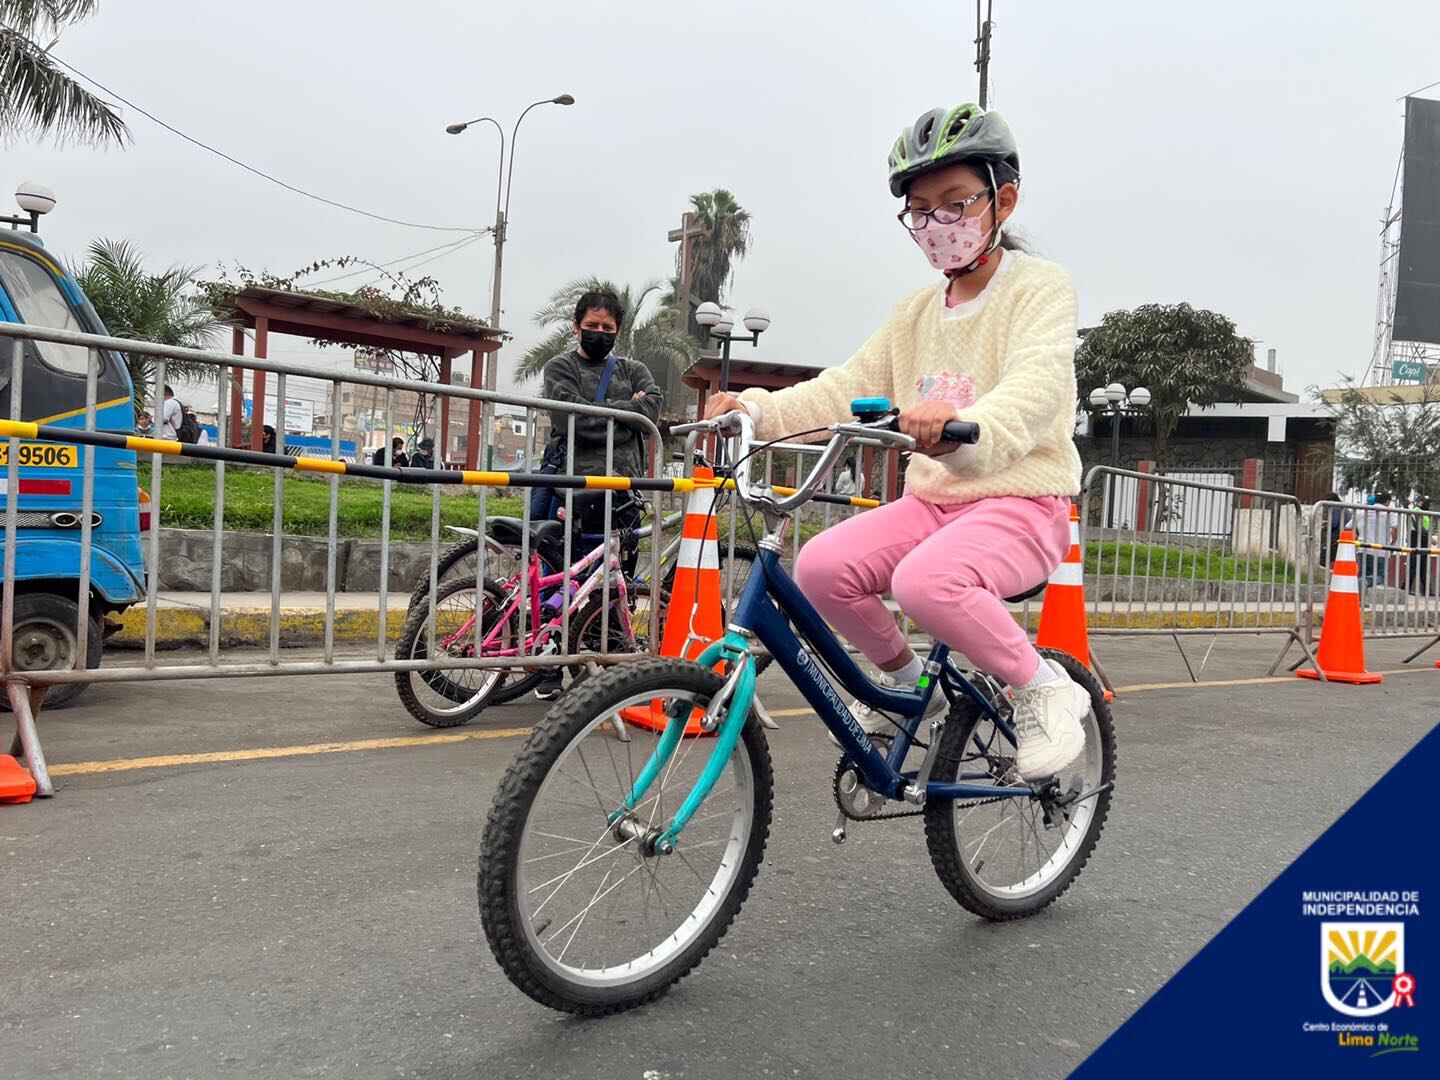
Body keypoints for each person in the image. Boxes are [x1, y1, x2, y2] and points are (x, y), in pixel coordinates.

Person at [704, 102, 1090, 780]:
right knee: (823, 568)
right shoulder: (913, 313)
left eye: (955, 203)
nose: (938, 223)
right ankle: (915, 689)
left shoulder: (1040, 288)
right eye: (921, 210)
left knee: (925, 583)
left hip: (1024, 502)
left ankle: (1043, 688)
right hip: (933, 504)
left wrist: (966, 428)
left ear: (1004, 199)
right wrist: (754, 412)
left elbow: (1035, 387)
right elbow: (843, 388)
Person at [534, 290, 663, 700]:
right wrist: (628, 413)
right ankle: (548, 668)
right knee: (564, 580)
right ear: (576, 326)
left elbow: (653, 410)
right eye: (592, 326)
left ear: (618, 331)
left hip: (625, 493)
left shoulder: (633, 368)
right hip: (573, 491)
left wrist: (600, 411)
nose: (599, 333)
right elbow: (569, 420)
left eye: (607, 328)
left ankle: (603, 670)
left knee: (614, 583)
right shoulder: (560, 366)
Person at [1319, 492, 1351, 566]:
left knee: (1323, 558)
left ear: (1332, 500)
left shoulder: (1335, 508)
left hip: (1336, 538)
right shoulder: (1344, 508)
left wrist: (1324, 528)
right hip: (1344, 537)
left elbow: (1333, 524)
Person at [1409, 495, 1432, 595]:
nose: (1429, 505)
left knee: (1424, 566)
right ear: (1421, 502)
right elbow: (1418, 526)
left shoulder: (1425, 512)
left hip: (1424, 538)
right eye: (1427, 503)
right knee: (1413, 564)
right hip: (1416, 537)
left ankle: (1427, 590)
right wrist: (1428, 536)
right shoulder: (1416, 510)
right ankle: (1405, 587)